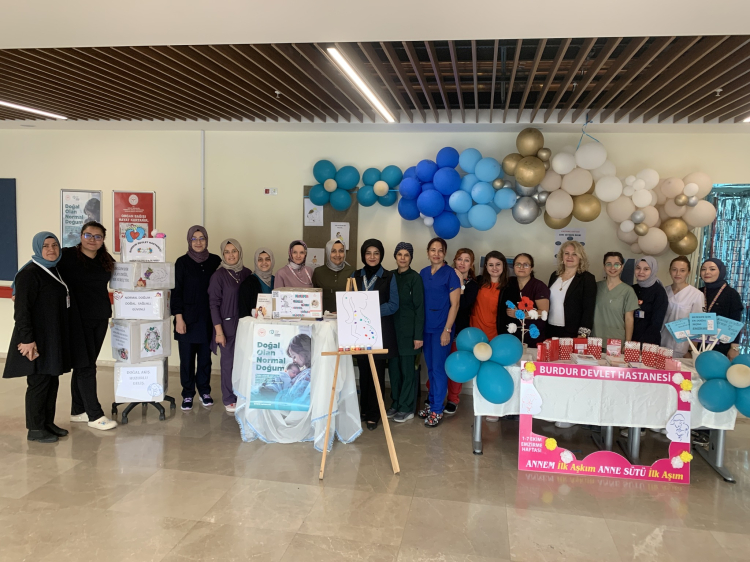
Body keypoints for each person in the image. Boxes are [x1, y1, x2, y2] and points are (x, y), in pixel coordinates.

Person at [4, 232, 71, 443]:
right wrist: (26, 340)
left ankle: (47, 423)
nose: (51, 250)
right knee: (39, 382)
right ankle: (35, 428)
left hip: (52, 336)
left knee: (52, 380)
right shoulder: (29, 274)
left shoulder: (54, 269)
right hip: (36, 338)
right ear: (37, 249)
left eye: (54, 245)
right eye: (46, 246)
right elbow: (21, 311)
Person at [56, 221, 118, 431]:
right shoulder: (66, 255)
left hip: (99, 317)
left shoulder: (106, 259)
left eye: (98, 236)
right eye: (88, 235)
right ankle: (94, 415)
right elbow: (37, 267)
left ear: (103, 239)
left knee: (86, 362)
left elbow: (125, 279)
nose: (92, 240)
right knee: (86, 365)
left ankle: (78, 411)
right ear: (81, 236)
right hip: (76, 318)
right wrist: (17, 286)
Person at [350, 239, 399, 431]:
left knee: (376, 374)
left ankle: (374, 414)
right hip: (359, 332)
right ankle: (364, 410)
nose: (372, 257)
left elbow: (394, 304)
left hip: (379, 333)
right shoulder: (355, 275)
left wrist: (370, 310)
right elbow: (349, 300)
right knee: (363, 373)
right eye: (368, 253)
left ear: (381, 255)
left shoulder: (389, 276)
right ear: (363, 255)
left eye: (376, 253)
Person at [172, 226, 221, 411]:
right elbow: (176, 292)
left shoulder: (215, 261)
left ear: (207, 240)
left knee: (205, 359)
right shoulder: (182, 262)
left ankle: (204, 391)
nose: (198, 242)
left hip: (208, 319)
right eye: (194, 238)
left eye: (202, 238)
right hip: (186, 320)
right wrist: (179, 318)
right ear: (189, 241)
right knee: (186, 360)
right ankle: (187, 393)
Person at [418, 237, 461, 428]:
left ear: (445, 253)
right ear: (428, 252)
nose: (436, 254)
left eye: (440, 250)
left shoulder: (450, 274)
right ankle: (432, 403)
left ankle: (437, 410)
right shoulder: (423, 273)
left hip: (441, 329)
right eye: (433, 250)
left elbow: (455, 305)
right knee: (430, 368)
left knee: (439, 369)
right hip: (426, 327)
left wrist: (447, 330)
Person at [208, 239, 252, 413]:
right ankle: (229, 397)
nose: (231, 255)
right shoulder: (218, 276)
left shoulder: (247, 273)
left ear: (239, 252)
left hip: (245, 324)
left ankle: (241, 394)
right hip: (226, 326)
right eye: (227, 252)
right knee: (228, 364)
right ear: (223, 254)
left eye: (234, 251)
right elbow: (213, 304)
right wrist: (218, 331)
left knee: (244, 362)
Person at [468, 251, 510, 423]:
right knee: (478, 372)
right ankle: (481, 406)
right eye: (491, 264)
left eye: (498, 264)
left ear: (503, 266)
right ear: (485, 266)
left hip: (496, 336)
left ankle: (494, 407)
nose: (494, 268)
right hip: (476, 335)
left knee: (493, 372)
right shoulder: (478, 282)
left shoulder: (509, 286)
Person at [388, 242, 424, 423]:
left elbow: (419, 308)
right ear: (395, 256)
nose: (402, 258)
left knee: (408, 371)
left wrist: (418, 336)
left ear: (411, 258)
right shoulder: (390, 276)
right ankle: (396, 403)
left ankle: (406, 407)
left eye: (406, 255)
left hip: (409, 334)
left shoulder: (415, 278)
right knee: (394, 370)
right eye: (399, 254)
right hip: (392, 332)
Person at [441, 248, 478, 415]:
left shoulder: (473, 285)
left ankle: (453, 398)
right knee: (439, 364)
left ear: (471, 264)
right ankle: (435, 394)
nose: (462, 263)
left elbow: (462, 306)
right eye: (459, 259)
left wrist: (461, 282)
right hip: (442, 328)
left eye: (466, 260)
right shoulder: (445, 277)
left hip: (460, 332)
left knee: (456, 366)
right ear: (454, 261)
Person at [547, 241, 597, 339]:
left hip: (573, 331)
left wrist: (583, 334)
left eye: (574, 254)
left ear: (580, 257)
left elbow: (588, 309)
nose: (570, 257)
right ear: (562, 256)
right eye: (566, 253)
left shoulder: (587, 278)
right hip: (550, 328)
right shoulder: (554, 275)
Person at [660, 256, 705, 358]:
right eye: (674, 270)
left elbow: (698, 325)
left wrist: (691, 350)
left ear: (688, 272)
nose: (678, 274)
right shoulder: (664, 291)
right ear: (670, 271)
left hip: (682, 347)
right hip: (662, 342)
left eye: (682, 270)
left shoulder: (696, 294)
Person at [593, 251, 639, 348]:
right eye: (608, 264)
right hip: (595, 339)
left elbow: (629, 319)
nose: (612, 268)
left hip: (615, 341)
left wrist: (627, 343)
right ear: (604, 266)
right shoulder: (595, 287)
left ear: (622, 267)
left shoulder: (628, 291)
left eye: (617, 265)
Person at [699, 258, 743, 359]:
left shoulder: (731, 294)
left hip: (722, 346)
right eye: (703, 269)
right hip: (699, 343)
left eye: (712, 269)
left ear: (721, 271)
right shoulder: (698, 292)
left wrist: (734, 348)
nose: (707, 272)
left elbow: (736, 322)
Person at [504, 253, 550, 346]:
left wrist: (520, 314)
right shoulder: (509, 283)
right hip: (512, 336)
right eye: (518, 264)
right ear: (513, 267)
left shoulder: (539, 286)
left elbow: (543, 312)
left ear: (531, 268)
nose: (521, 267)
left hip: (533, 336)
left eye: (526, 265)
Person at [632, 256, 668, 346]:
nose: (641, 272)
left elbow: (656, 323)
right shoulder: (632, 289)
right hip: (630, 339)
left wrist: (640, 345)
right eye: (638, 268)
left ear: (653, 271)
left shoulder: (659, 292)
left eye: (646, 269)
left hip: (648, 342)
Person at [312, 239, 355, 313]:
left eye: (341, 251)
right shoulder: (318, 272)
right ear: (328, 252)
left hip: (347, 316)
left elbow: (355, 298)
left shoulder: (352, 271)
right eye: (333, 251)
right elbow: (314, 297)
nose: (337, 255)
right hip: (323, 317)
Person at [238, 248, 275, 318]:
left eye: (267, 259)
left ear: (272, 261)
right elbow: (244, 312)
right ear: (255, 261)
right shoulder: (248, 283)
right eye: (260, 259)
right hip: (256, 324)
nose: (264, 262)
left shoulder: (277, 280)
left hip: (276, 323)